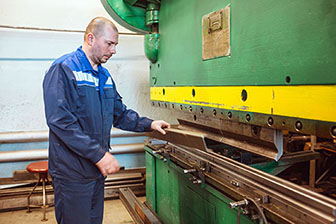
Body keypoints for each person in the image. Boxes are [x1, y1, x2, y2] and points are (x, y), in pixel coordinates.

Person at [42, 17, 170, 224]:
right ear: (90, 38)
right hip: (72, 172)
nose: (113, 50)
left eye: (115, 45)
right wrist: (99, 155)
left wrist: (149, 124)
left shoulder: (104, 76)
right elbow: (60, 121)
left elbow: (119, 114)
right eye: (109, 43)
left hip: (95, 170)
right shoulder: (64, 68)